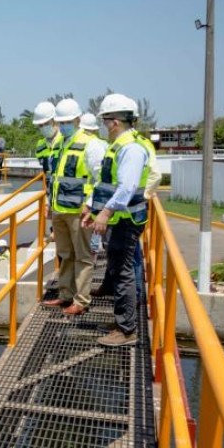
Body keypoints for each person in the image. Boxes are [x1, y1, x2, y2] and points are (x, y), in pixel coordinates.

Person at [82, 93, 151, 347]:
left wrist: (106, 212)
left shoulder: (131, 149)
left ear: (115, 122)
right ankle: (122, 321)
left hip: (126, 220)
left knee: (123, 273)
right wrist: (92, 207)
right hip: (120, 219)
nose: (104, 126)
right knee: (118, 268)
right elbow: (106, 184)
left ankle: (126, 330)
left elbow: (127, 188)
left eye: (105, 121)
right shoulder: (119, 145)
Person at [42, 98, 107, 316]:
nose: (63, 125)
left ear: (78, 119)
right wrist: (50, 203)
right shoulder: (60, 143)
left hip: (80, 212)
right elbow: (56, 177)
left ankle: (81, 300)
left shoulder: (92, 144)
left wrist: (90, 206)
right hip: (60, 210)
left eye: (68, 121)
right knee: (64, 254)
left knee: (82, 256)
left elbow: (102, 179)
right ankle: (65, 294)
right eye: (60, 122)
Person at [33, 102, 63, 179]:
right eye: (40, 125)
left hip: (65, 188)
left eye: (46, 123)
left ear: (55, 121)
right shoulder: (40, 145)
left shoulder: (65, 140)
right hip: (49, 187)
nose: (43, 127)